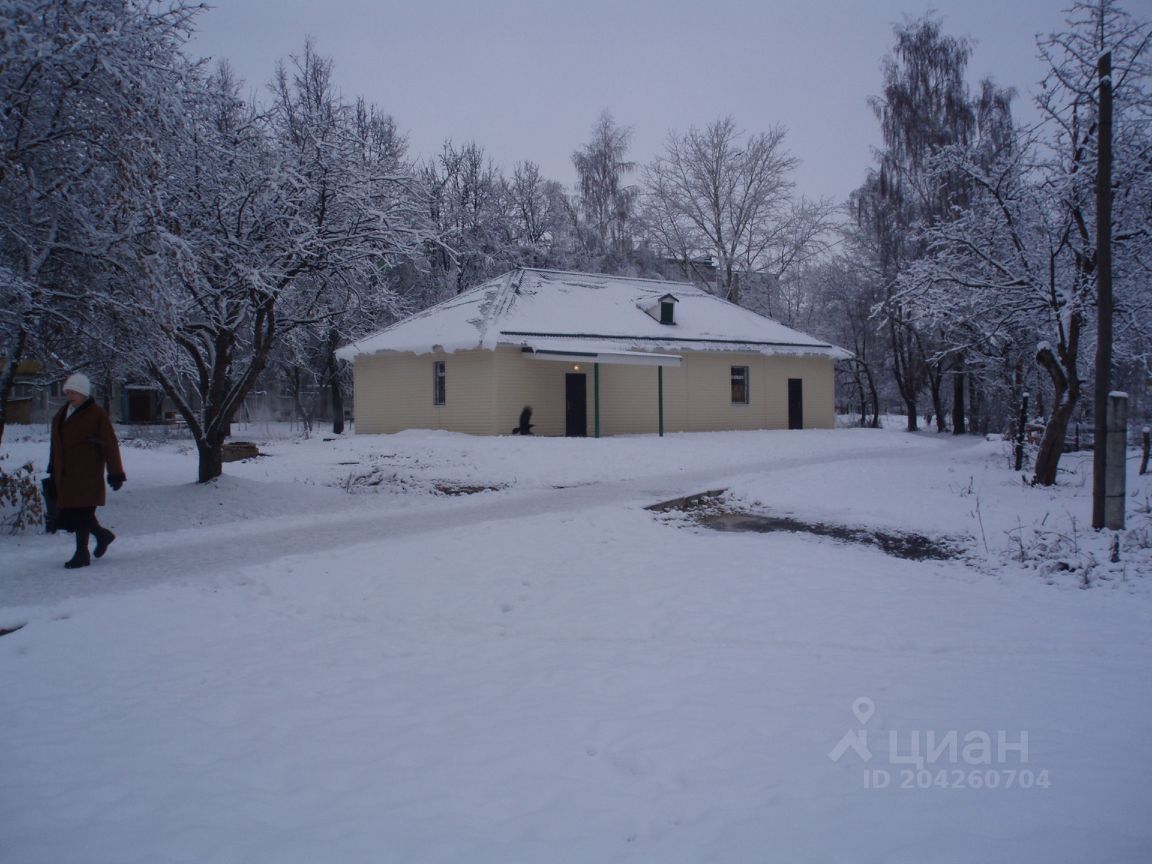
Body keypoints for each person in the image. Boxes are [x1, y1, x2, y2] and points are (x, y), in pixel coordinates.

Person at [47, 373, 126, 569]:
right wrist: (52, 465)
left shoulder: (96, 414)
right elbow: (56, 443)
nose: (70, 396)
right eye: (67, 392)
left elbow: (110, 444)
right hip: (65, 474)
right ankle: (102, 535)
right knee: (77, 513)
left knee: (82, 512)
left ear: (84, 393)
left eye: (74, 392)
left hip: (87, 472)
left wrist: (115, 473)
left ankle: (82, 554)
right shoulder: (62, 413)